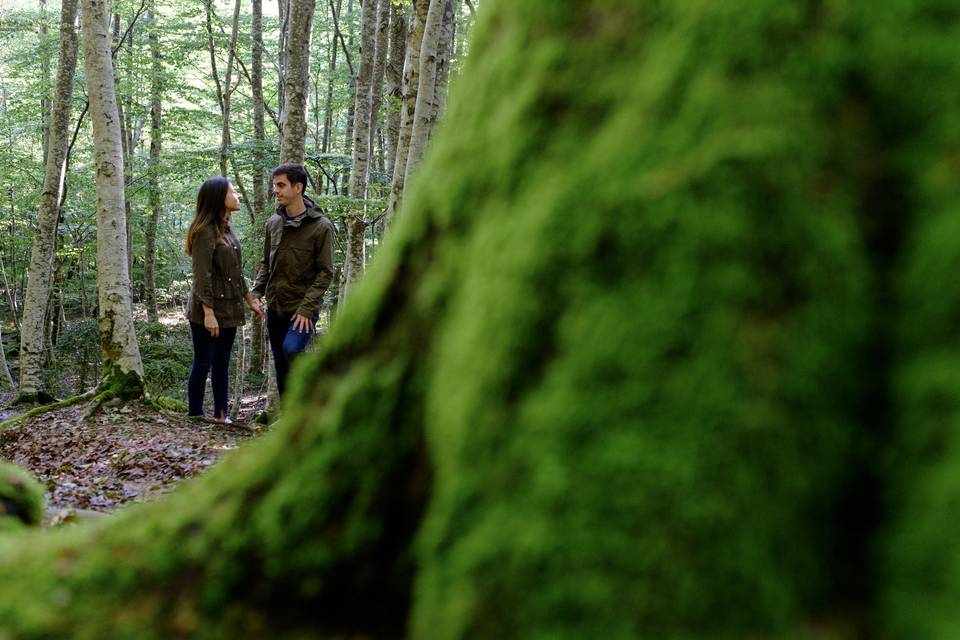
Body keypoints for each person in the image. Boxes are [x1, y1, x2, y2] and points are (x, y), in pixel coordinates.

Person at [251, 164, 335, 396]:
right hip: (275, 306)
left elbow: (326, 272)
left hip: (301, 309)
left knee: (292, 350)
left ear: (298, 187)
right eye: (274, 185)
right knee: (280, 365)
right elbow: (266, 263)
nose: (275, 190)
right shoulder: (273, 223)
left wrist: (307, 308)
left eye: (281, 185)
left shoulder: (321, 227)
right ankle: (289, 420)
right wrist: (256, 294)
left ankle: (317, 397)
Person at [185, 177, 265, 422]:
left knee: (221, 363)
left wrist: (249, 299)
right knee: (203, 363)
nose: (237, 195)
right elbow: (202, 276)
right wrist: (208, 312)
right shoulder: (204, 232)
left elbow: (234, 272)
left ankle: (222, 415)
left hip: (229, 307)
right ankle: (195, 415)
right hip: (205, 308)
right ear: (220, 197)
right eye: (233, 192)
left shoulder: (227, 227)